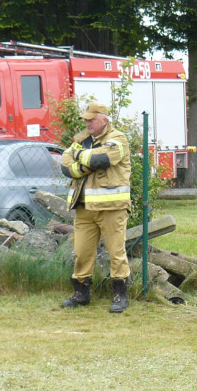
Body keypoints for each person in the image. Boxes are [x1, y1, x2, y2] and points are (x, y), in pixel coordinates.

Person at [60, 102, 132, 313]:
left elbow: (102, 158)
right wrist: (86, 162)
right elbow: (65, 165)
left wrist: (79, 157)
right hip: (84, 208)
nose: (88, 123)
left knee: (116, 253)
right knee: (81, 253)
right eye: (86, 120)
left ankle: (120, 295)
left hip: (112, 208)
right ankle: (81, 293)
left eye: (92, 119)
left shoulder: (118, 138)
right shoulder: (82, 140)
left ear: (104, 119)